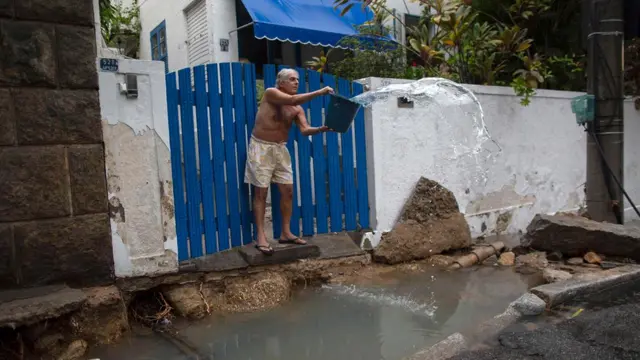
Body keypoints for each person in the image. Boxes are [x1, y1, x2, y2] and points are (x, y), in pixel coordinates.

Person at [245, 68, 334, 255]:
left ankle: (285, 232)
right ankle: (261, 236)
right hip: (261, 147)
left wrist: (323, 128)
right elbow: (292, 99)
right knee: (261, 192)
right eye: (292, 80)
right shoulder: (271, 93)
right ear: (281, 82)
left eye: (298, 80)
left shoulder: (297, 108)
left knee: (288, 191)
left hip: (280, 148)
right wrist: (320, 92)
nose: (296, 82)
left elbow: (304, 129)